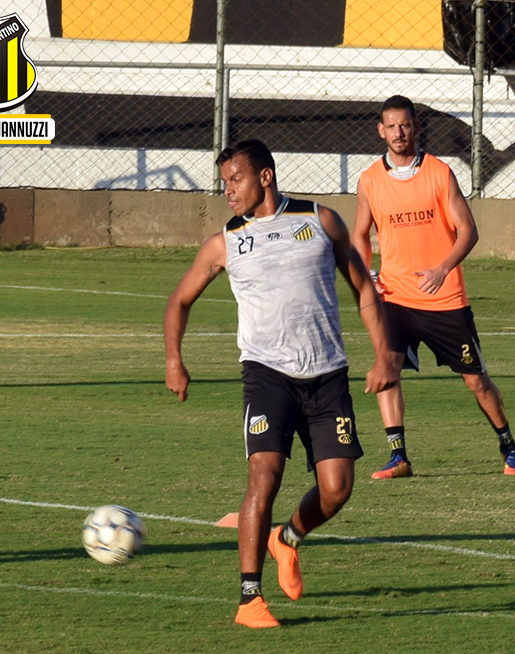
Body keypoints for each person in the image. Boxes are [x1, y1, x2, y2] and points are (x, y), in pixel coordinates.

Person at [165, 140, 398, 628]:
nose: (227, 190)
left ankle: (285, 539)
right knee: (263, 476)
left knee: (336, 490)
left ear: (265, 177)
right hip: (267, 375)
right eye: (225, 181)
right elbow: (179, 301)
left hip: (327, 373)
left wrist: (383, 356)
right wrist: (174, 360)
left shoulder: (321, 220)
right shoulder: (225, 242)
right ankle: (250, 597)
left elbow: (364, 290)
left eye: (236, 179)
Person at [351, 95, 515, 479]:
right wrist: (368, 277)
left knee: (476, 381)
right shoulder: (369, 181)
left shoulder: (439, 172)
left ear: (416, 127)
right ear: (381, 131)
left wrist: (443, 268)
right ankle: (398, 456)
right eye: (391, 126)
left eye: (405, 125)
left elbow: (468, 230)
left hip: (444, 299)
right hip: (395, 298)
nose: (399, 132)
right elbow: (360, 235)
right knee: (387, 367)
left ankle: (508, 443)